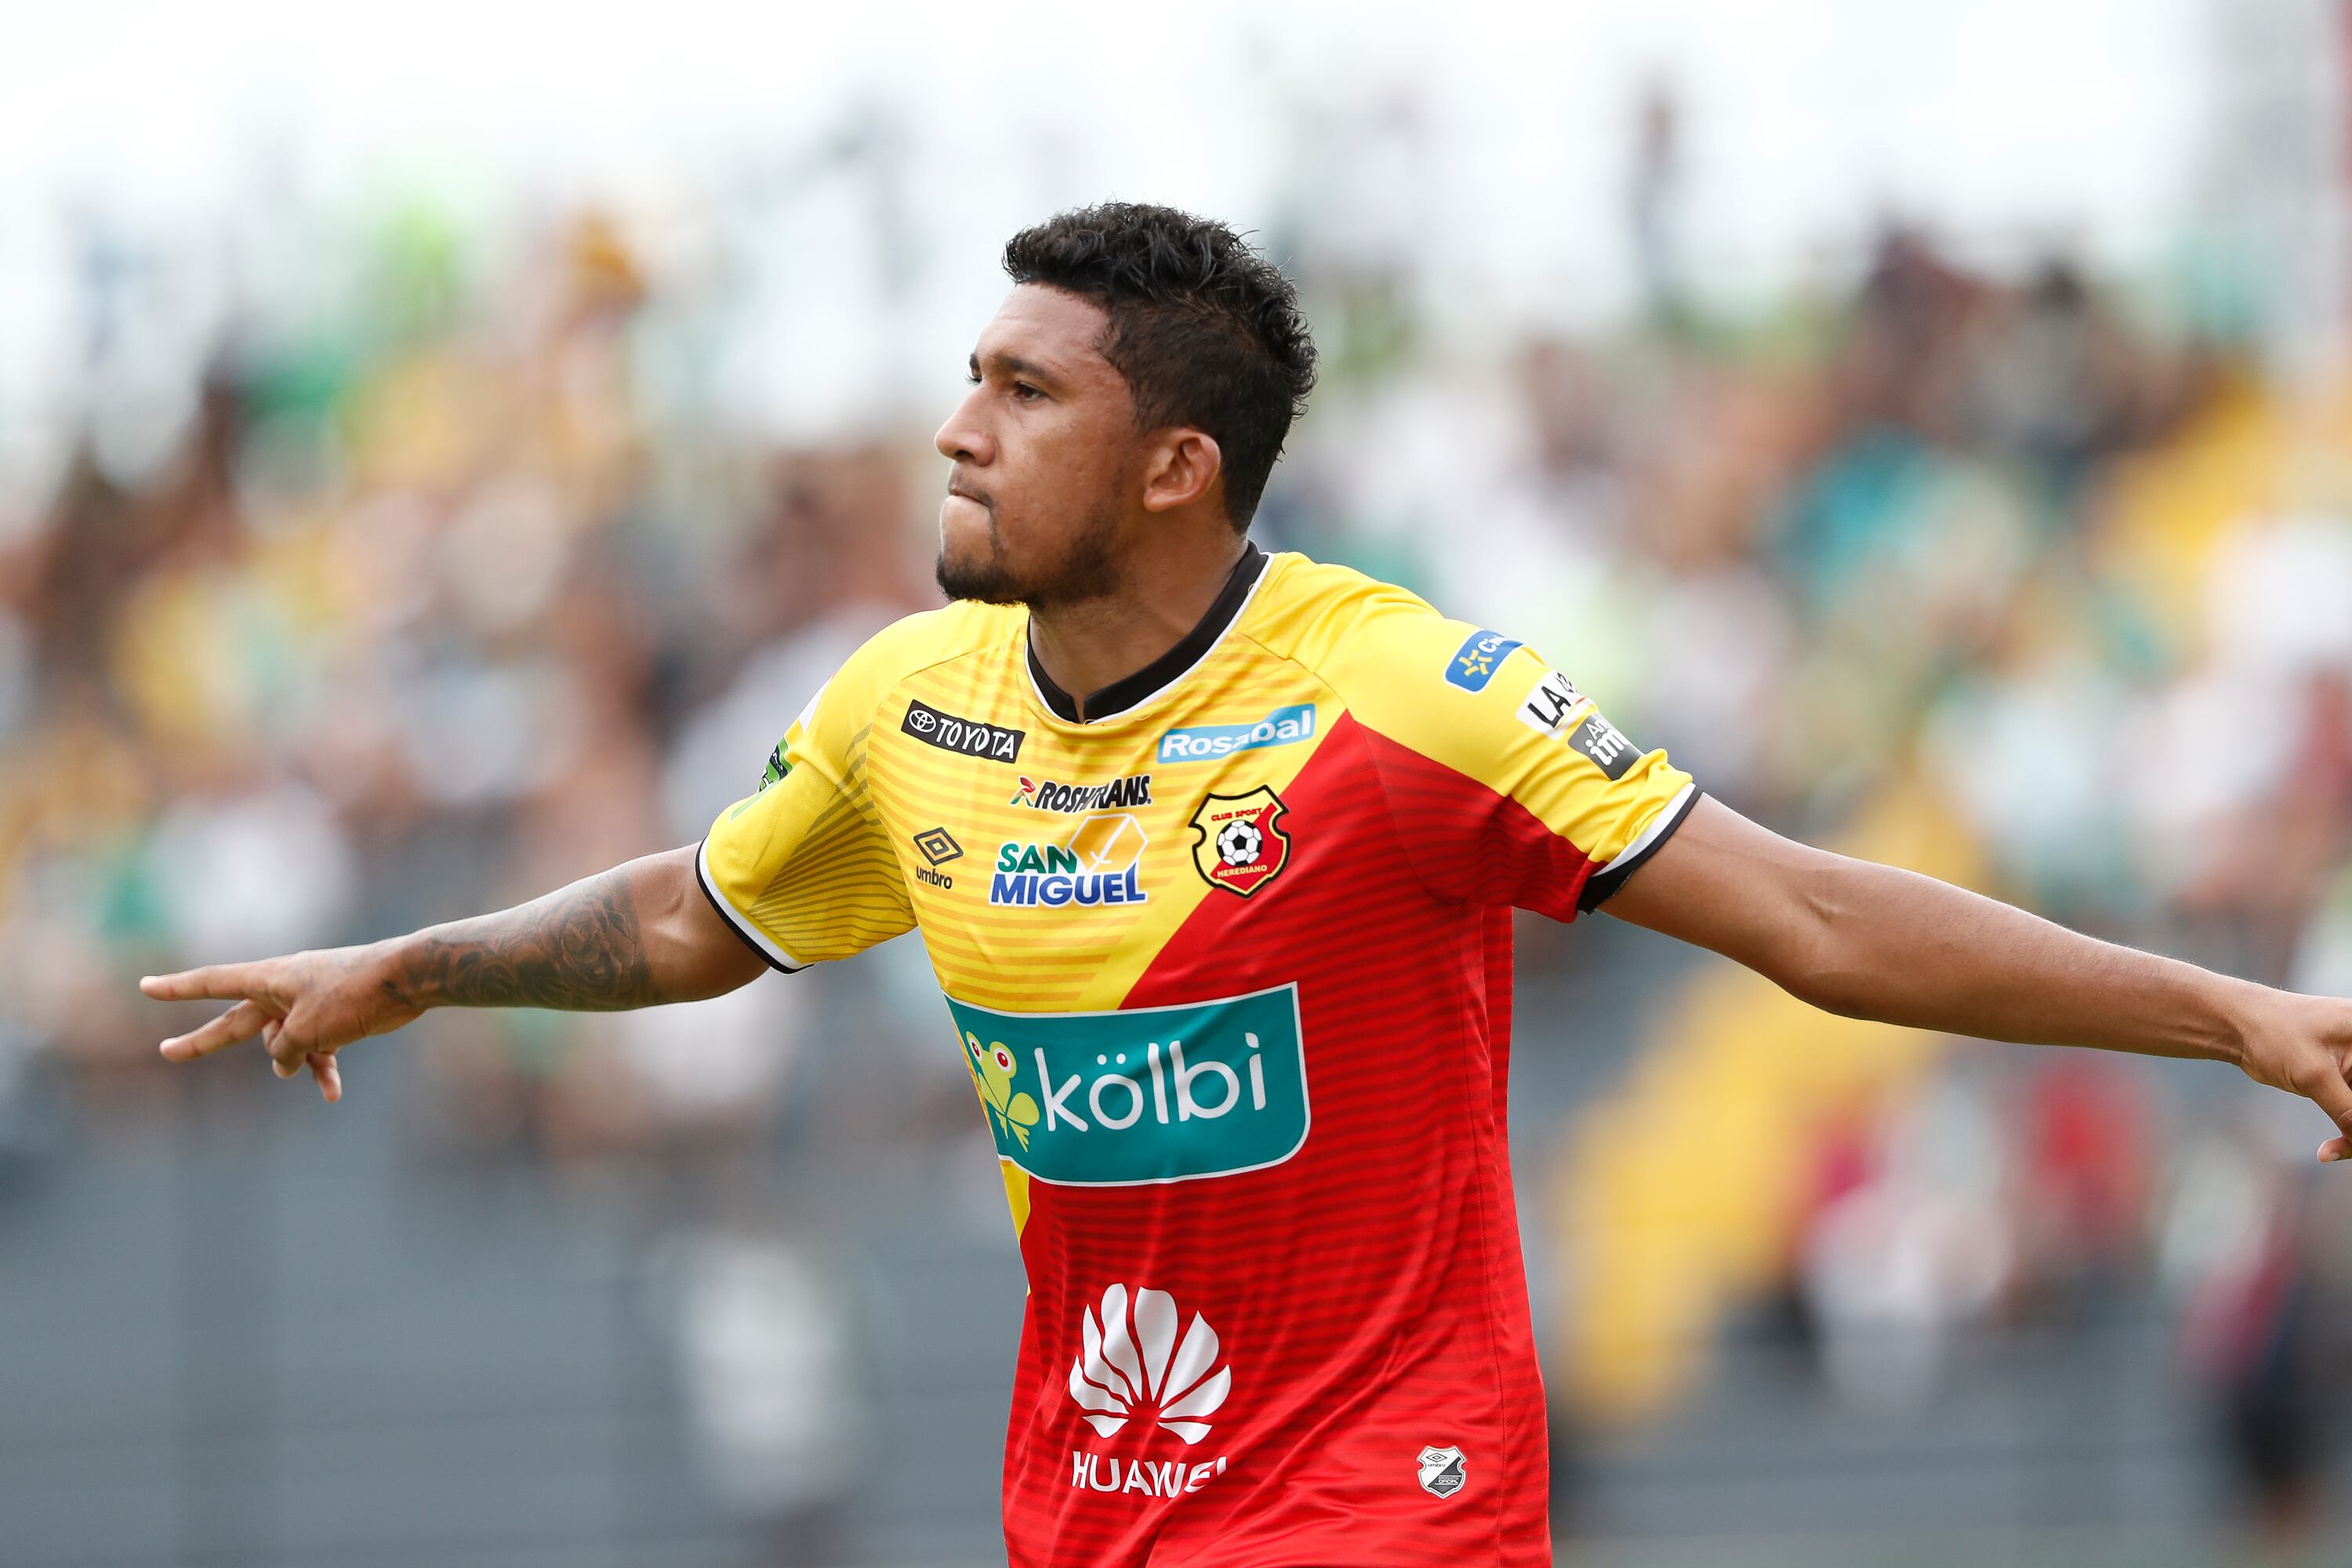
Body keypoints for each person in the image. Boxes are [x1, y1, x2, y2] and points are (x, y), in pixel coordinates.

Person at [140, 202, 2352, 1568]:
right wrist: (418, 963)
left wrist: (2237, 1016)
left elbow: (1820, 920)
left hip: (1389, 1510)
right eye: (968, 379)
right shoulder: (908, 707)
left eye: (1025, 394)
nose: (958, 429)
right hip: (1092, 1508)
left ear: (1175, 469)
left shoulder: (1404, 697)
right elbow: (693, 920)